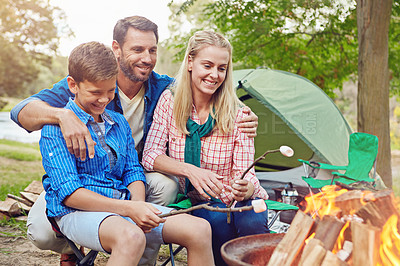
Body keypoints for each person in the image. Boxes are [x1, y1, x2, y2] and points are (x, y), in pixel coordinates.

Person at [11, 16, 258, 265]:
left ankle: (139, 257)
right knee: (43, 232)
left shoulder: (156, 96)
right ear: (116, 49)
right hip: (81, 197)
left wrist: (242, 113)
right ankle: (78, 248)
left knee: (198, 227)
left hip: (124, 190)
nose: (147, 58)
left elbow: (203, 89)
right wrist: (61, 115)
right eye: (137, 49)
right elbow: (21, 112)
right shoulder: (82, 84)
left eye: (152, 50)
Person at [40, 41, 214, 266]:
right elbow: (70, 194)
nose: (104, 100)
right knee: (131, 237)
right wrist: (129, 209)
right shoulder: (55, 129)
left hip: (123, 205)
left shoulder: (118, 122)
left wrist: (139, 205)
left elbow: (132, 170)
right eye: (95, 92)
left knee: (199, 229)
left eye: (111, 91)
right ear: (73, 85)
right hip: (75, 212)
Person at [142, 30, 270, 266]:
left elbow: (247, 172)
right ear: (190, 62)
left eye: (222, 68)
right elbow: (150, 155)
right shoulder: (170, 102)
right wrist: (190, 170)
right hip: (198, 200)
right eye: (207, 65)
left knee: (252, 218)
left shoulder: (238, 113)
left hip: (235, 198)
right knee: (216, 220)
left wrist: (247, 188)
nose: (214, 75)